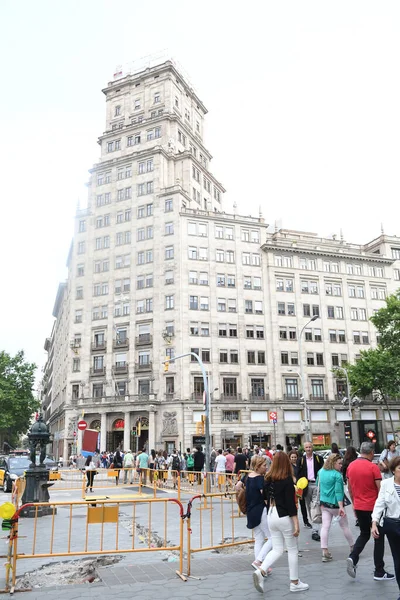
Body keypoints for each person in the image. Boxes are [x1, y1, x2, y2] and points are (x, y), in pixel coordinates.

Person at [252, 452, 309, 594]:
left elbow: (265, 498)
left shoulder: (268, 478)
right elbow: (290, 505)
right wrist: (296, 523)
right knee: (292, 549)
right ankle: (294, 582)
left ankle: (261, 570)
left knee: (277, 549)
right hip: (284, 515)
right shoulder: (287, 479)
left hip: (271, 513)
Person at [346, 441, 394, 581]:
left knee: (364, 534)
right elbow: (381, 490)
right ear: (372, 452)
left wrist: (354, 505)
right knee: (378, 538)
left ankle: (353, 557)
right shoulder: (372, 468)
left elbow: (349, 488)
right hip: (374, 508)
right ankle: (379, 570)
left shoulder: (351, 466)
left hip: (359, 506)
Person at [372, 456, 400, 598]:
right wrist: (374, 523)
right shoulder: (386, 484)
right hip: (392, 525)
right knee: (398, 560)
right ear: (394, 470)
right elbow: (379, 504)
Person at [317, 453, 354, 562]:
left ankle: (324, 551)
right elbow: (338, 492)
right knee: (345, 526)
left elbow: (318, 484)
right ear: (333, 463)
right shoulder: (337, 475)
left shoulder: (321, 472)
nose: (341, 465)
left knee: (325, 527)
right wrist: (341, 507)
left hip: (324, 503)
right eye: (339, 463)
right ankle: (353, 547)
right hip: (335, 505)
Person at [244, 454, 273, 571]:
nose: (266, 467)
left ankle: (260, 566)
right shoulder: (260, 479)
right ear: (258, 466)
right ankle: (259, 561)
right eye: (264, 465)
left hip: (251, 510)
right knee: (272, 538)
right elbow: (264, 495)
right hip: (261, 510)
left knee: (259, 538)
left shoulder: (248, 477)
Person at [296, 441, 324, 541]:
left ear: (313, 448)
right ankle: (314, 525)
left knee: (315, 505)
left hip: (316, 484)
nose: (308, 449)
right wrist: (299, 490)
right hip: (306, 486)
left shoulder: (318, 458)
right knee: (309, 506)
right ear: (304, 449)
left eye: (310, 447)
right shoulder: (301, 460)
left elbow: (323, 471)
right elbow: (298, 474)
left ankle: (315, 530)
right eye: (306, 447)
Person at [289, 451, 310, 529]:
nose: (294, 459)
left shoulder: (300, 465)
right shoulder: (288, 466)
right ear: (289, 458)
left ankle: (306, 521)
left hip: (300, 487)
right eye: (292, 457)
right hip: (292, 488)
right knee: (294, 505)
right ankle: (294, 522)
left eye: (295, 457)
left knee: (303, 504)